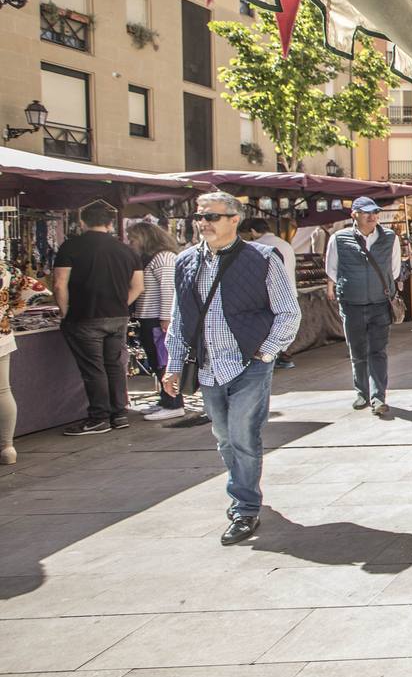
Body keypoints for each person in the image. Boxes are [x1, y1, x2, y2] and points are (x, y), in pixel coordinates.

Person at [163, 192, 300, 545]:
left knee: (242, 434)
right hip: (208, 367)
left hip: (248, 363)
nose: (203, 223)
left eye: (212, 217)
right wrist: (173, 365)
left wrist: (266, 353)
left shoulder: (263, 258)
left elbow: (288, 311)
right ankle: (243, 490)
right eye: (200, 217)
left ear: (234, 219)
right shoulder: (185, 261)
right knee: (224, 437)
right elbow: (180, 320)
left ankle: (244, 507)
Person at [53, 204, 144, 435]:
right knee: (114, 366)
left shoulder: (71, 246)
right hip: (118, 316)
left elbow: (59, 283)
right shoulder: (127, 250)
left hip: (84, 316)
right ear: (110, 224)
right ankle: (119, 415)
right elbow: (138, 286)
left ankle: (99, 418)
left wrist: (64, 311)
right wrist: (121, 304)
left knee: (94, 369)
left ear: (82, 222)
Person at [325, 196, 400, 416]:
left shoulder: (390, 238)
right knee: (357, 350)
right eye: (366, 212)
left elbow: (394, 271)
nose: (372, 216)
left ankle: (378, 397)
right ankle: (362, 392)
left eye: (375, 212)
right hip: (352, 304)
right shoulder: (338, 238)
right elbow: (332, 269)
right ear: (354, 214)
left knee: (378, 350)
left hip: (379, 303)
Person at [126, 221, 185, 420]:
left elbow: (169, 289)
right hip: (149, 317)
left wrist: (166, 318)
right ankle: (166, 399)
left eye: (133, 238)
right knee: (156, 360)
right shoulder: (154, 259)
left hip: (157, 319)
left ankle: (174, 403)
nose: (130, 242)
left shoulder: (163, 258)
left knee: (163, 361)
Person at [240, 217, 298, 368]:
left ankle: (275, 356)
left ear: (253, 231)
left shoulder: (261, 246)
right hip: (291, 288)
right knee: (286, 322)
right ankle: (284, 355)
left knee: (275, 324)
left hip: (271, 293)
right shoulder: (284, 243)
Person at [0, 259, 20, 465]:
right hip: (1, 334)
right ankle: (7, 447)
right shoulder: (6, 268)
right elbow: (35, 289)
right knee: (3, 391)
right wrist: (9, 311)